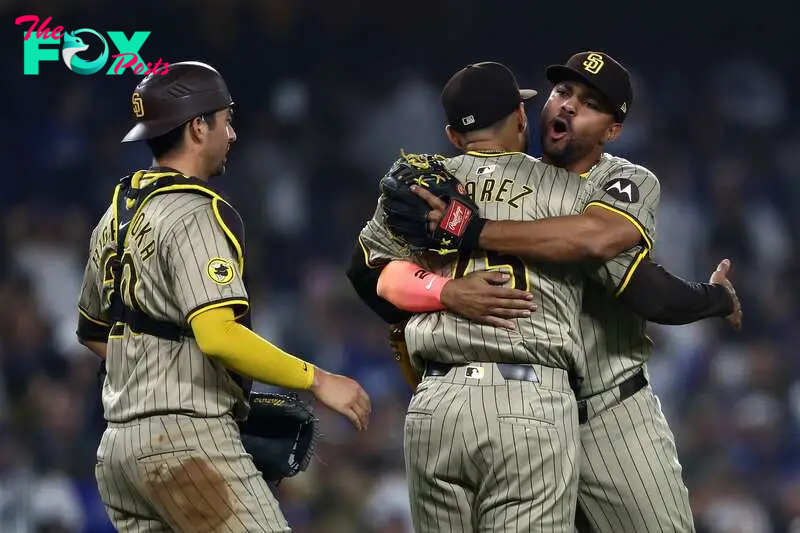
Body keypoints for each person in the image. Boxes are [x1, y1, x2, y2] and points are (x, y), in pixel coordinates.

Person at [355, 52, 741, 533]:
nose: (569, 106)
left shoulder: (620, 183)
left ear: (613, 130)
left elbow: (638, 282)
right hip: (524, 404)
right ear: (528, 111)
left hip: (610, 414)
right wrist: (445, 295)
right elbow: (369, 272)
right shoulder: (523, 184)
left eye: (591, 103)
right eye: (563, 92)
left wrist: (715, 298)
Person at [76, 61, 371, 532]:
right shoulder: (196, 212)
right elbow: (216, 335)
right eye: (225, 120)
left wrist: (151, 384)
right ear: (198, 126)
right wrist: (316, 379)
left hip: (119, 453)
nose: (231, 134)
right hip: (184, 444)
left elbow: (94, 332)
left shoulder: (113, 217)